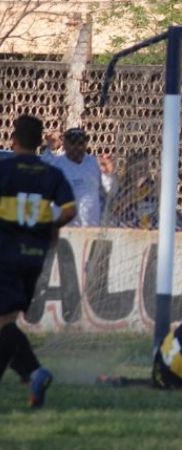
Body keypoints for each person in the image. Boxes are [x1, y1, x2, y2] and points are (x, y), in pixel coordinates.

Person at [0, 114, 76, 407]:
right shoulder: (51, 175)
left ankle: (35, 371)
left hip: (5, 255)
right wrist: (51, 227)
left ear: (13, 139)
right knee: (6, 321)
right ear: (39, 141)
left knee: (4, 322)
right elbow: (69, 210)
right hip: (34, 258)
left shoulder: (4, 170)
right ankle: (25, 373)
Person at [44, 127, 118, 227]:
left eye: (80, 143)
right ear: (65, 144)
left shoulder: (94, 163)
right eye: (72, 143)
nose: (76, 147)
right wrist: (49, 147)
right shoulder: (56, 164)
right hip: (63, 229)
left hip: (90, 228)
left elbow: (111, 191)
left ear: (85, 144)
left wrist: (109, 174)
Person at [106, 151, 158, 229]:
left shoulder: (152, 186)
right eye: (139, 168)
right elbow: (115, 210)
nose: (142, 171)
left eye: (145, 168)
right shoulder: (121, 188)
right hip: (126, 224)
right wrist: (132, 196)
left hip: (150, 222)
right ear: (129, 169)